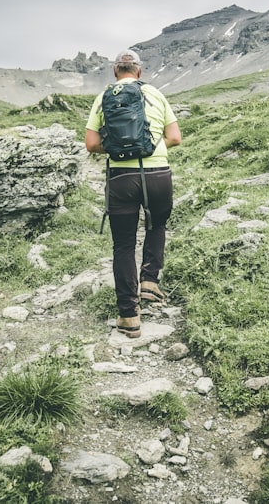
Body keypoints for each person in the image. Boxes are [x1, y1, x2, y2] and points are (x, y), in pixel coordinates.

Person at [85, 49, 181, 338]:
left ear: (115, 72)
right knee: (157, 225)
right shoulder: (155, 94)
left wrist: (116, 148)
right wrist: (150, 147)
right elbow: (175, 137)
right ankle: (150, 281)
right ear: (139, 72)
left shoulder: (104, 97)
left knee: (124, 245)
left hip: (121, 178)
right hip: (157, 175)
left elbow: (91, 144)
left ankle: (128, 316)